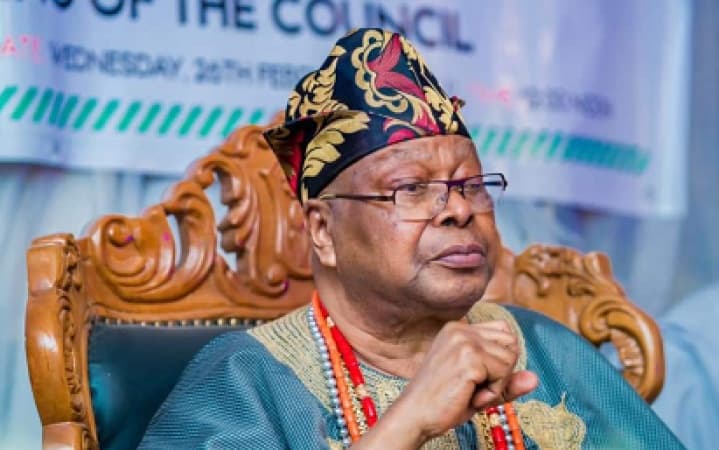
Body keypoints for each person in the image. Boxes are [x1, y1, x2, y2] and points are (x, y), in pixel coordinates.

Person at [139, 28, 683, 449]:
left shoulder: (543, 347)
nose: (460, 210)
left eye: (471, 185)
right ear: (323, 230)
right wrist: (409, 422)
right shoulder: (243, 381)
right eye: (412, 189)